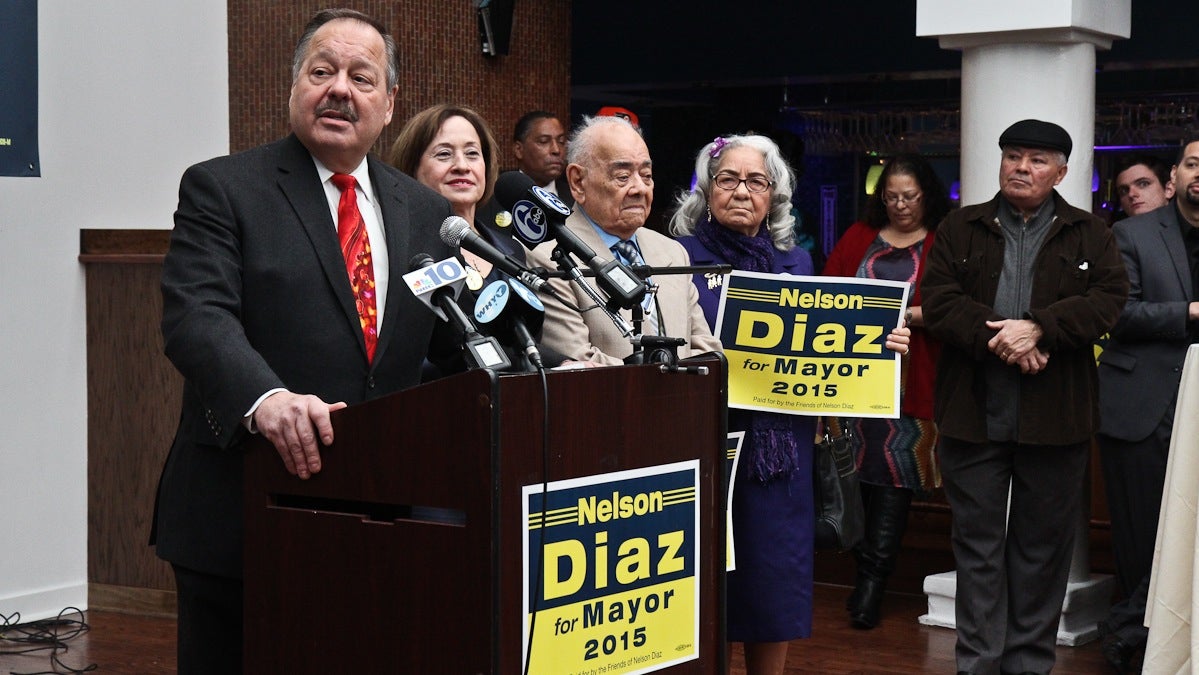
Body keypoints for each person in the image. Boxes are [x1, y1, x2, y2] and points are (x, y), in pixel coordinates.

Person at [151, 10, 462, 673]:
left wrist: (551, 366)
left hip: (380, 518)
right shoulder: (223, 188)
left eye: (361, 76)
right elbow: (196, 318)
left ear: (389, 103)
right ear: (293, 87)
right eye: (321, 72)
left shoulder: (426, 213)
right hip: (246, 510)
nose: (340, 89)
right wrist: (264, 397)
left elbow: (446, 345)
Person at [668, 134, 910, 675]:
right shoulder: (678, 257)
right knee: (708, 589)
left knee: (773, 585)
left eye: (756, 181)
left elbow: (827, 344)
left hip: (782, 456)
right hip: (709, 450)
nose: (741, 191)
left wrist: (881, 343)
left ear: (774, 194)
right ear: (706, 191)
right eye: (728, 179)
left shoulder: (795, 261)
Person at [921, 119, 1128, 675]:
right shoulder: (961, 226)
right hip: (973, 416)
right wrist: (1007, 340)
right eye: (1013, 156)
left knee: (1041, 554)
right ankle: (978, 665)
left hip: (1056, 421)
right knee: (978, 550)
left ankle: (1028, 665)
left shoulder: (1091, 232)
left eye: (1037, 160)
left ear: (1061, 172)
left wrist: (1039, 328)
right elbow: (937, 300)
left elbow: (1109, 300)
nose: (1022, 167)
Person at [823, 153, 950, 630]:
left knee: (895, 481)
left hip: (911, 383)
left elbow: (949, 304)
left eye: (910, 197)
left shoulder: (941, 240)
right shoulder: (859, 236)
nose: (900, 206)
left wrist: (895, 315)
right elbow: (829, 292)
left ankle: (873, 584)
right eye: (892, 197)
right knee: (856, 479)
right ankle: (864, 573)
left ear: (927, 196)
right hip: (853, 383)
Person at [1096, 138, 1199, 673]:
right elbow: (1118, 314)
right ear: (1174, 177)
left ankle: (1135, 630)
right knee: (1140, 536)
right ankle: (1137, 643)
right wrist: (1190, 312)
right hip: (1142, 405)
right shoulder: (1131, 234)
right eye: (1192, 164)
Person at [525, 115, 721, 364]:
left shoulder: (672, 251)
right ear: (577, 181)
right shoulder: (548, 256)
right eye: (622, 176)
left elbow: (707, 349)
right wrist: (665, 376)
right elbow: (579, 360)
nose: (640, 188)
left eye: (646, 175)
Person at [387, 103, 508, 287]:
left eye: (472, 153)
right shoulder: (401, 252)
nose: (462, 165)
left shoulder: (511, 249)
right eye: (444, 154)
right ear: (412, 169)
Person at [511, 110, 572, 207]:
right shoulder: (493, 196)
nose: (556, 150)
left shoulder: (577, 198)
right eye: (544, 141)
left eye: (561, 141)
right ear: (519, 150)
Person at [1113, 153, 1174, 218]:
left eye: (1143, 184)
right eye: (1123, 191)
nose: (1131, 194)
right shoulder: (1118, 227)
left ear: (1168, 190)